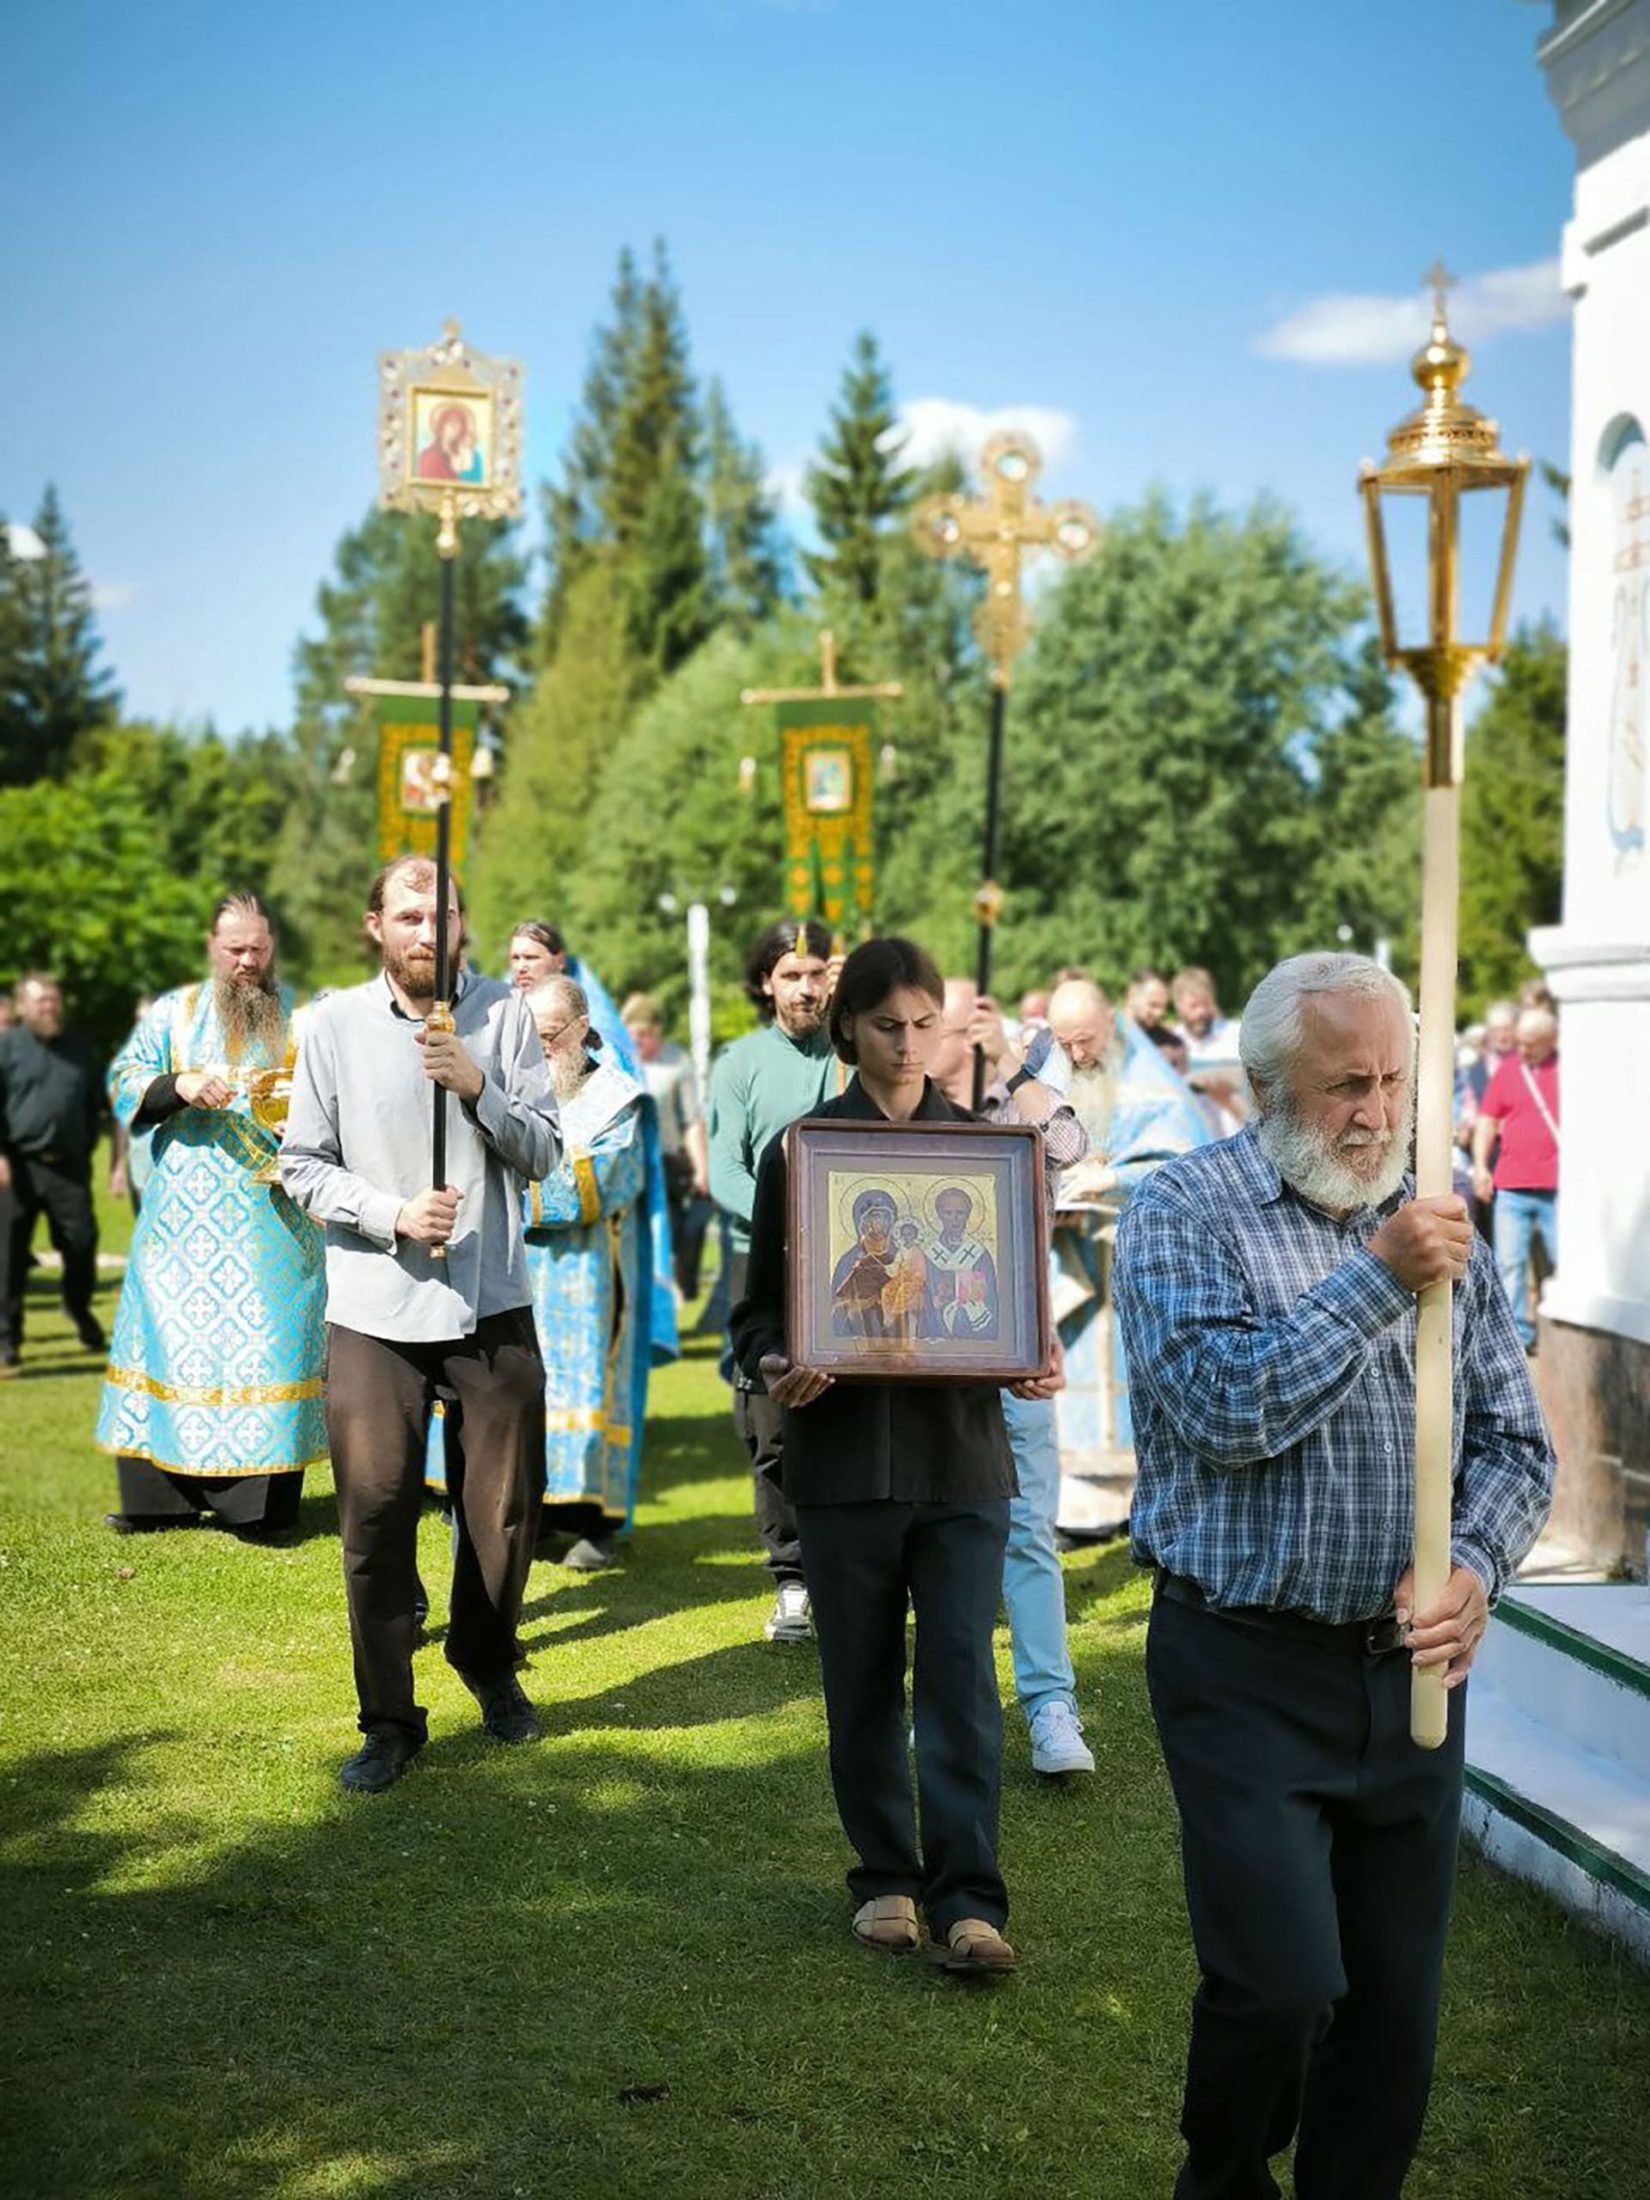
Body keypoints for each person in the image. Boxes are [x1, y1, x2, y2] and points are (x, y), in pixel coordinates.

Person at [1114, 951, 1553, 2200]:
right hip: (1242, 1666)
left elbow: (1520, 1445)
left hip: (1409, 1678)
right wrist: (1379, 1279)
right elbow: (1228, 1407)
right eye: (1343, 1086)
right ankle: (1224, 2175)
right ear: (1265, 1086)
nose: (1374, 1113)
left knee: (1395, 2016)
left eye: (1394, 1081)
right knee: (1281, 1984)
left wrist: (1472, 1568)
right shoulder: (1182, 1211)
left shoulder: (1439, 1208)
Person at [732, 936, 1061, 1973]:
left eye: (925, 1024)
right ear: (846, 1029)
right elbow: (755, 1318)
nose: (908, 1045)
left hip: (960, 1461)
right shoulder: (800, 1152)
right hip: (840, 1463)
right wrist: (780, 1359)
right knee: (862, 1674)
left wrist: (1032, 1352)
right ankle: (884, 1876)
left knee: (960, 1674)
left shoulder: (991, 1154)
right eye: (887, 1025)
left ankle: (970, 1897)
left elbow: (1010, 1305)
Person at [281, 857, 558, 1794]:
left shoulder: (507, 1016)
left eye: (441, 914)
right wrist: (391, 1212)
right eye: (408, 916)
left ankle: (486, 1657)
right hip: (374, 1305)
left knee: (506, 1507)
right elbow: (302, 1164)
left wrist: (478, 1085)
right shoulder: (329, 1027)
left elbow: (546, 1151)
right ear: (376, 927)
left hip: (489, 1297)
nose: (427, 932)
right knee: (375, 1509)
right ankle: (389, 1720)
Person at [96, 900, 325, 1531]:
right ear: (212, 947)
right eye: (235, 951)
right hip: (182, 1224)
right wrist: (178, 1085)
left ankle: (255, 1508)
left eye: (258, 949)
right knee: (171, 1342)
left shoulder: (305, 1017)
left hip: (272, 1223)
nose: (248, 963)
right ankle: (161, 1501)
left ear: (272, 945)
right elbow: (125, 1078)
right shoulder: (175, 1013)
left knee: (267, 1347)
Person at [429, 975, 652, 1571]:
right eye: (529, 1035)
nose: (540, 1047)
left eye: (549, 1035)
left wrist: (499, 1184)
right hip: (508, 1268)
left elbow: (598, 1186)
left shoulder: (618, 1100)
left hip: (583, 1278)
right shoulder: (504, 1085)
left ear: (581, 1029)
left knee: (579, 1388)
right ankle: (509, 1510)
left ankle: (587, 1522)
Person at [932, 978, 1095, 1779]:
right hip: (921, 1364)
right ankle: (938, 1709)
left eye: (964, 1028)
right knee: (929, 1541)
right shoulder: (905, 1114)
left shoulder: (1020, 1102)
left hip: (1013, 1351)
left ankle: (1049, 1706)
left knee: (1028, 1530)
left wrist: (1004, 1067)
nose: (945, 1042)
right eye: (938, 1028)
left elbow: (1068, 1149)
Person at [707, 918, 840, 1644]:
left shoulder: (848, 1055)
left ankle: (845, 1565)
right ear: (766, 983)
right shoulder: (741, 1063)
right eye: (791, 975)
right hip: (760, 1259)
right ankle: (791, 1578)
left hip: (845, 1263)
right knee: (771, 1422)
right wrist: (782, 1223)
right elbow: (724, 1165)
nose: (806, 988)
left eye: (818, 973)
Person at [0, 972, 106, 1375]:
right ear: (23, 1006)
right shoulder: (6, 1048)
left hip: (69, 1169)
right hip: (17, 1167)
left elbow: (99, 1104)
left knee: (80, 1244)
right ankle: (7, 1339)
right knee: (7, 1255)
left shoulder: (79, 1048)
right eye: (41, 1001)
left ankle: (77, 1309)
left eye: (54, 1000)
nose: (49, 1007)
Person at [1472, 1006, 1560, 1355]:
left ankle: (1557, 1332)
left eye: (1531, 1045)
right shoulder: (1509, 1071)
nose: (1522, 1050)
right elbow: (1487, 1121)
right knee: (1509, 1263)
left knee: (1562, 1262)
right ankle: (1516, 1339)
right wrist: (1481, 1165)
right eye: (1520, 1043)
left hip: (1559, 1188)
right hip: (1513, 1186)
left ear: (1551, 1041)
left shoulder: (1569, 1069)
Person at [622, 991, 710, 1300]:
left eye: (645, 1034)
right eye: (633, 1034)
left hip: (666, 1165)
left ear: (657, 1031)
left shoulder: (677, 1063)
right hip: (627, 1164)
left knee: (667, 1239)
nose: (639, 1041)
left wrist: (701, 1169)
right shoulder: (616, 1062)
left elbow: (691, 1121)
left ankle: (665, 1308)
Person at [1124, 966, 1170, 1035]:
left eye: (1163, 1007)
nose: (1159, 1013)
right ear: (1132, 994)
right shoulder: (1105, 1029)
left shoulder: (1168, 1042)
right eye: (1153, 1005)